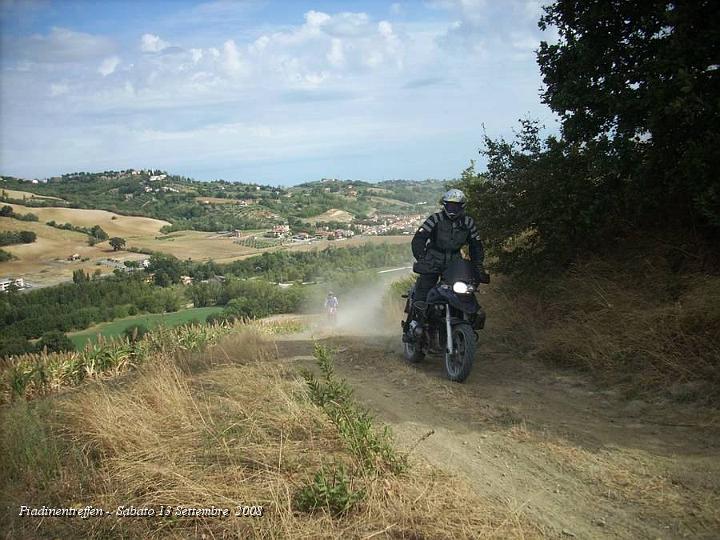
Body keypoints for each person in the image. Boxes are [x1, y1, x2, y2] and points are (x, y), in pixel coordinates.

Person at [406, 189, 488, 337]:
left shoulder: (468, 223)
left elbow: (476, 246)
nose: (453, 209)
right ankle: (417, 325)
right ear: (444, 205)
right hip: (432, 259)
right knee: (425, 289)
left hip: (455, 264)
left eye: (456, 206)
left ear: (462, 207)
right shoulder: (434, 219)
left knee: (464, 292)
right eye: (450, 206)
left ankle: (467, 322)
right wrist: (422, 259)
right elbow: (419, 239)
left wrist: (478, 266)